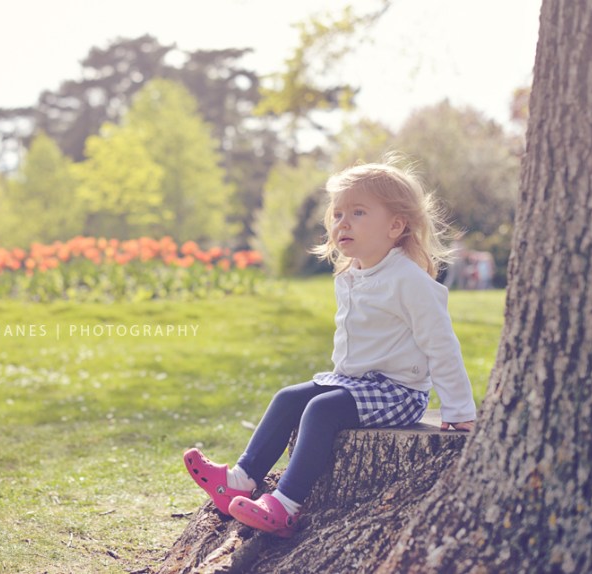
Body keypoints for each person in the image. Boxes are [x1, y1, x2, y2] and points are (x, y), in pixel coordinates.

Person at [183, 160, 477, 538]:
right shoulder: (352, 272)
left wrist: (458, 409)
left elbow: (441, 344)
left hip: (398, 390)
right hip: (354, 382)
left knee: (321, 410)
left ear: (395, 226)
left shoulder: (408, 279)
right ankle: (240, 479)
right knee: (289, 398)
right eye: (338, 213)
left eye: (358, 212)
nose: (343, 223)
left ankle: (285, 505)